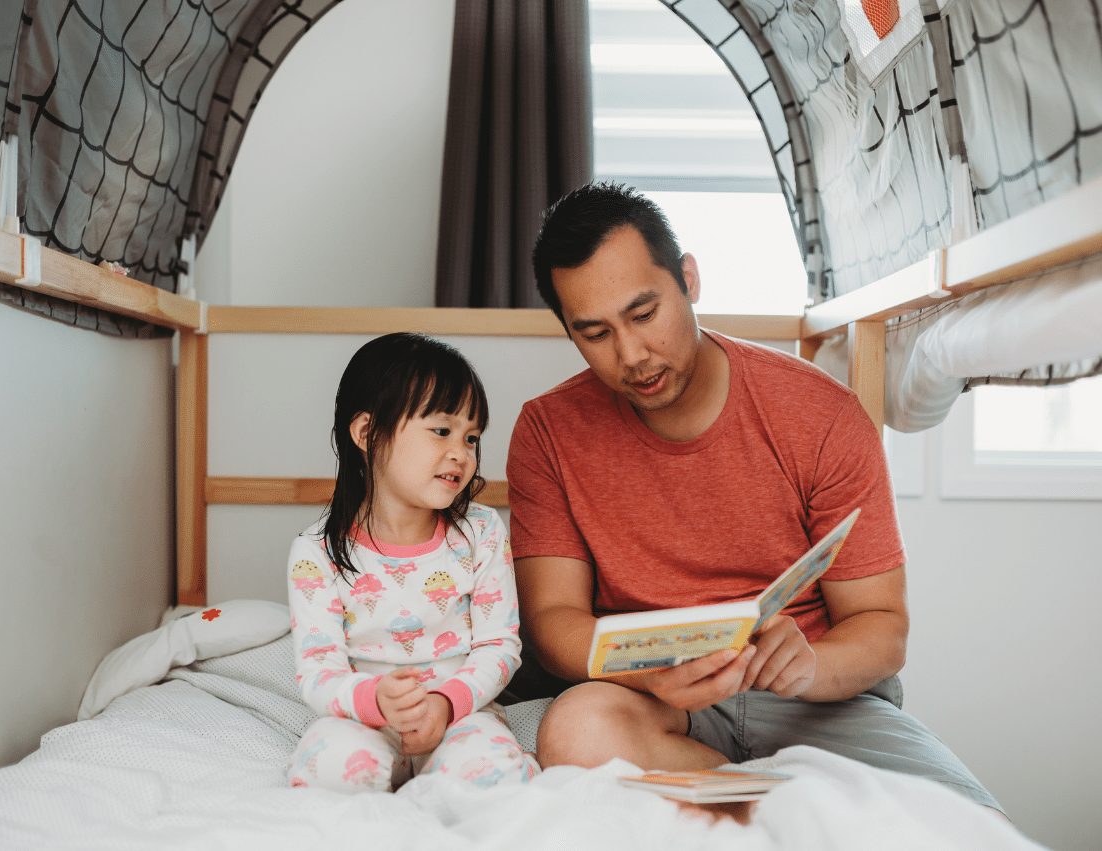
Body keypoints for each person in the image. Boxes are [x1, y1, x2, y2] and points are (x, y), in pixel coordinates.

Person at [505, 182, 1001, 812]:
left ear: (688, 280)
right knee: (576, 728)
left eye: (644, 313)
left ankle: (763, 805)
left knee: (970, 822)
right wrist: (647, 671)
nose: (631, 355)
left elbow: (882, 627)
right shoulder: (548, 431)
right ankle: (786, 811)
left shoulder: (820, 414)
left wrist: (811, 666)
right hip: (656, 704)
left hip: (816, 704)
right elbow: (553, 624)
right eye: (595, 333)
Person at [285, 332, 538, 793]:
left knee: (490, 778)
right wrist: (377, 702)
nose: (461, 453)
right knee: (328, 768)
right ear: (366, 433)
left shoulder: (481, 532)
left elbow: (500, 646)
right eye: (441, 430)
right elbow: (319, 671)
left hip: (460, 712)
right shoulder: (316, 552)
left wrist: (446, 703)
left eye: (472, 437)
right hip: (364, 718)